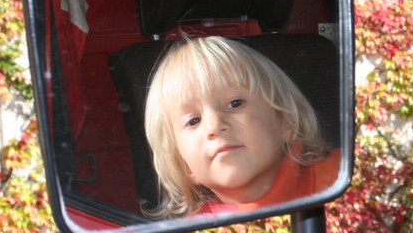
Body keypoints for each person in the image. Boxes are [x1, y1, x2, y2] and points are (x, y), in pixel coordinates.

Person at [143, 36, 340, 217]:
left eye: (235, 103)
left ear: (286, 120)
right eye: (193, 121)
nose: (214, 125)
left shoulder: (342, 175)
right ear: (185, 165)